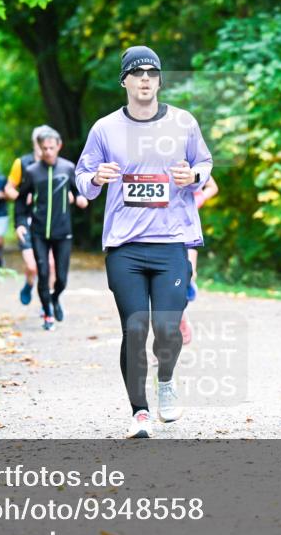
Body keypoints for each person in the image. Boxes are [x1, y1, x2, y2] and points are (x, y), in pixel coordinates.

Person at [75, 45, 212, 438]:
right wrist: (98, 177)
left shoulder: (184, 123)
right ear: (125, 81)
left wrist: (194, 177)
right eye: (137, 74)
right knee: (135, 328)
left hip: (171, 242)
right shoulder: (104, 129)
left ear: (160, 80)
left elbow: (204, 164)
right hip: (125, 246)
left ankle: (165, 380)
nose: (146, 79)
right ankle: (139, 412)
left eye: (152, 73)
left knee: (166, 329)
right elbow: (83, 181)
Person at [15, 128, 87, 331]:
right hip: (38, 232)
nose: (47, 152)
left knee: (62, 278)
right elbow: (21, 202)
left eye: (51, 148)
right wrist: (20, 224)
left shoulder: (67, 168)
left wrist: (81, 199)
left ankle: (55, 299)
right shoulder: (31, 172)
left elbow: (77, 191)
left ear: (59, 146)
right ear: (39, 147)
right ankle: (47, 313)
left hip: (63, 232)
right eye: (44, 148)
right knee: (43, 273)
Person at [6, 126, 60, 305]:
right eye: (41, 142)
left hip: (50, 221)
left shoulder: (58, 165)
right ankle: (29, 284)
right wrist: (23, 198)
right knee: (33, 266)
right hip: (27, 221)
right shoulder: (22, 163)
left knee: (51, 265)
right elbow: (8, 189)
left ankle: (49, 305)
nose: (45, 146)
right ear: (35, 143)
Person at [179, 175, 218, 344]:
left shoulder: (193, 163)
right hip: (160, 232)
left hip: (188, 235)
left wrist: (199, 198)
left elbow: (213, 186)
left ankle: (181, 309)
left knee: (188, 275)